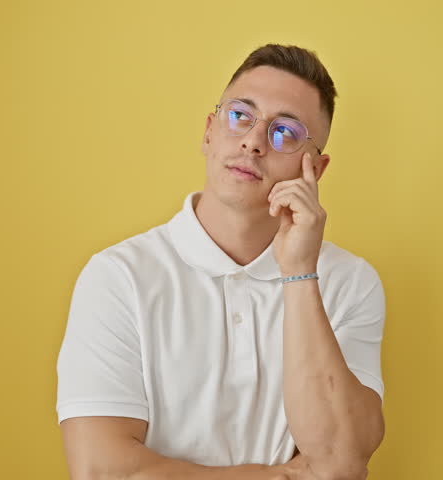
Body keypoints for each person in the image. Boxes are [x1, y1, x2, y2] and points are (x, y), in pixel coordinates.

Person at [56, 43, 386, 480]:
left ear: (315, 169)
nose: (252, 141)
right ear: (210, 130)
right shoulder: (118, 277)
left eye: (284, 132)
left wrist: (300, 272)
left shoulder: (350, 282)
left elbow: (340, 463)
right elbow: (102, 471)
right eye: (240, 116)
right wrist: (281, 476)